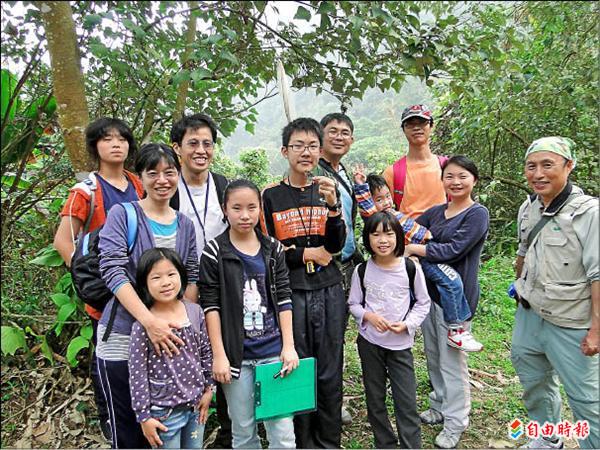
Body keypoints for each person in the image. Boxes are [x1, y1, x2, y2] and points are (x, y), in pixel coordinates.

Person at [97, 143, 199, 449]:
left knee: (162, 434)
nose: (162, 180)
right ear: (140, 177)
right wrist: (150, 322)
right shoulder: (123, 214)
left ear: (178, 174)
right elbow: (112, 270)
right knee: (128, 433)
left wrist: (183, 327)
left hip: (167, 348)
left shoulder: (185, 224)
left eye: (169, 172)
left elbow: (191, 275)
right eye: (152, 173)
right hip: (123, 340)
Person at [53, 117, 144, 441]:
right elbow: (63, 241)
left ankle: (141, 416)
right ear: (96, 146)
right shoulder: (85, 192)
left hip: (141, 290)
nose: (116, 144)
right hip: (106, 295)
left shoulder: (138, 184)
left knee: (138, 355)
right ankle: (111, 420)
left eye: (122, 138)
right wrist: (88, 280)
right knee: (106, 356)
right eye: (107, 139)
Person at [261, 117, 346, 448]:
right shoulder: (270, 196)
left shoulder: (327, 190)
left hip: (328, 290)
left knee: (329, 368)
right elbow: (271, 251)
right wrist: (308, 253)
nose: (306, 152)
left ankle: (329, 441)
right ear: (285, 151)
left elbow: (336, 246)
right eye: (298, 145)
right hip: (291, 292)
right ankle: (301, 442)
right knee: (297, 366)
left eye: (312, 145)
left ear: (320, 150)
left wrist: (334, 208)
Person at [511, 137, 599, 449]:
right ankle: (548, 439)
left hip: (571, 321)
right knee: (534, 381)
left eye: (547, 165)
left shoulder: (589, 214)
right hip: (531, 314)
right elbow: (523, 252)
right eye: (531, 166)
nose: (538, 174)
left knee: (586, 399)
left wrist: (596, 331)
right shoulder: (529, 206)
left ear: (569, 166)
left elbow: (598, 274)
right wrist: (520, 284)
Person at [199, 179, 299, 448]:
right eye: (237, 208)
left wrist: (288, 346)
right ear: (225, 209)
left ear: (260, 209)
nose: (245, 215)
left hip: (273, 354)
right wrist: (219, 355)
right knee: (243, 431)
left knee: (282, 432)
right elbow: (211, 306)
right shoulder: (214, 252)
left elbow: (284, 300)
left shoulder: (273, 249)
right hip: (236, 358)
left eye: (251, 207)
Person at [405, 155, 489, 448]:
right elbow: (408, 229)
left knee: (453, 362)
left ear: (474, 180)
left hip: (458, 300)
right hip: (428, 296)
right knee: (433, 355)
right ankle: (439, 405)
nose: (455, 182)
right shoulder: (435, 212)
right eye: (449, 176)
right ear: (442, 180)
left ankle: (456, 422)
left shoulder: (477, 214)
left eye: (462, 176)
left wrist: (416, 248)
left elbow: (453, 250)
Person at [354, 169, 483, 352]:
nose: (386, 202)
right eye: (379, 199)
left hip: (425, 250)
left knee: (452, 281)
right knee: (452, 281)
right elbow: (366, 208)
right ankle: (456, 330)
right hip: (423, 257)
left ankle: (458, 327)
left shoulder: (394, 213)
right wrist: (360, 185)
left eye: (387, 196)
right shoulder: (380, 218)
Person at [170, 113, 231, 447]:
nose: (201, 150)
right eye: (193, 143)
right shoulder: (169, 185)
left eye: (207, 143)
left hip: (220, 284)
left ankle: (227, 427)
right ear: (177, 147)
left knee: (224, 350)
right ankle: (185, 423)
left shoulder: (222, 186)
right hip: (179, 289)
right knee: (187, 353)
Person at [348, 211, 430, 448]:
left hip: (400, 345)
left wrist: (407, 324)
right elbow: (353, 303)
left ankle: (410, 445)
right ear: (367, 239)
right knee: (375, 399)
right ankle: (385, 443)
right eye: (376, 235)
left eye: (389, 234)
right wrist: (368, 316)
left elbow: (423, 303)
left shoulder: (409, 268)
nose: (382, 240)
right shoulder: (362, 270)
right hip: (369, 342)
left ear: (399, 237)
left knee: (406, 401)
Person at [129, 248, 214, 449]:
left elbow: (205, 353)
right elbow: (137, 373)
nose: (166, 282)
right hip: (163, 413)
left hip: (196, 406)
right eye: (156, 277)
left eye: (171, 274)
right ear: (144, 284)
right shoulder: (144, 326)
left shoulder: (194, 311)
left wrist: (209, 389)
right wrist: (143, 416)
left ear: (181, 276)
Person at [382, 104, 448, 217]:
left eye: (422, 123)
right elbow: (382, 212)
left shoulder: (447, 166)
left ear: (431, 126)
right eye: (410, 124)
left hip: (445, 232)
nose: (416, 128)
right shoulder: (392, 173)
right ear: (403, 129)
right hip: (408, 232)